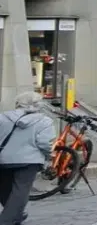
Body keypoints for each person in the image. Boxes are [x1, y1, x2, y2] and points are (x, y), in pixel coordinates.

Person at [0, 91, 55, 225]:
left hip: (4, 158)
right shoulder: (44, 121)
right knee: (21, 190)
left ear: (18, 103)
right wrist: (49, 157)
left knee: (4, 188)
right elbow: (45, 143)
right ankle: (6, 220)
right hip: (30, 160)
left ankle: (16, 215)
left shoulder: (3, 117)